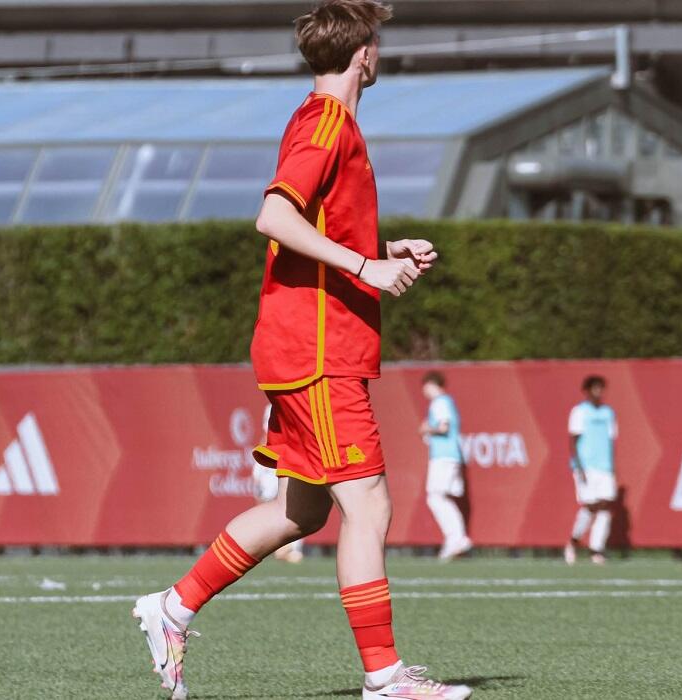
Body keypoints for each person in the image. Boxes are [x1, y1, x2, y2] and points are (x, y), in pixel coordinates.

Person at [133, 2, 472, 698]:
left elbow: (315, 233)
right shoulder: (325, 121)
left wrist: (382, 251)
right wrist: (365, 268)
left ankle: (171, 607)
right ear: (366, 53)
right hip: (318, 354)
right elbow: (274, 216)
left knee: (304, 512)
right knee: (369, 507)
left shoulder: (323, 119)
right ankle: (384, 678)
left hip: (310, 347)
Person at [564, 375, 617, 566]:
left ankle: (596, 548)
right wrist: (578, 466)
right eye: (595, 388)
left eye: (601, 388)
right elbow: (573, 440)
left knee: (605, 506)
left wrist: (613, 468)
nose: (598, 392)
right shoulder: (579, 412)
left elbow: (611, 441)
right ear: (587, 391)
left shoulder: (608, 413)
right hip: (586, 466)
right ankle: (573, 541)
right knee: (590, 506)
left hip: (605, 467)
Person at [419, 371, 472, 560]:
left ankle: (456, 539)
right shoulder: (447, 402)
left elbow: (443, 427)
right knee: (439, 497)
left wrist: (427, 429)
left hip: (444, 456)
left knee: (435, 497)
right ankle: (457, 539)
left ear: (432, 384)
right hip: (449, 456)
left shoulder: (440, 402)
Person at [252, 403, 305, 563]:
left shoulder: (297, 402)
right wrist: (259, 470)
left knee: (295, 506)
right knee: (266, 506)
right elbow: (265, 435)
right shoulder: (271, 406)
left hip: (291, 459)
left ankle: (292, 549)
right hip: (272, 463)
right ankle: (268, 546)